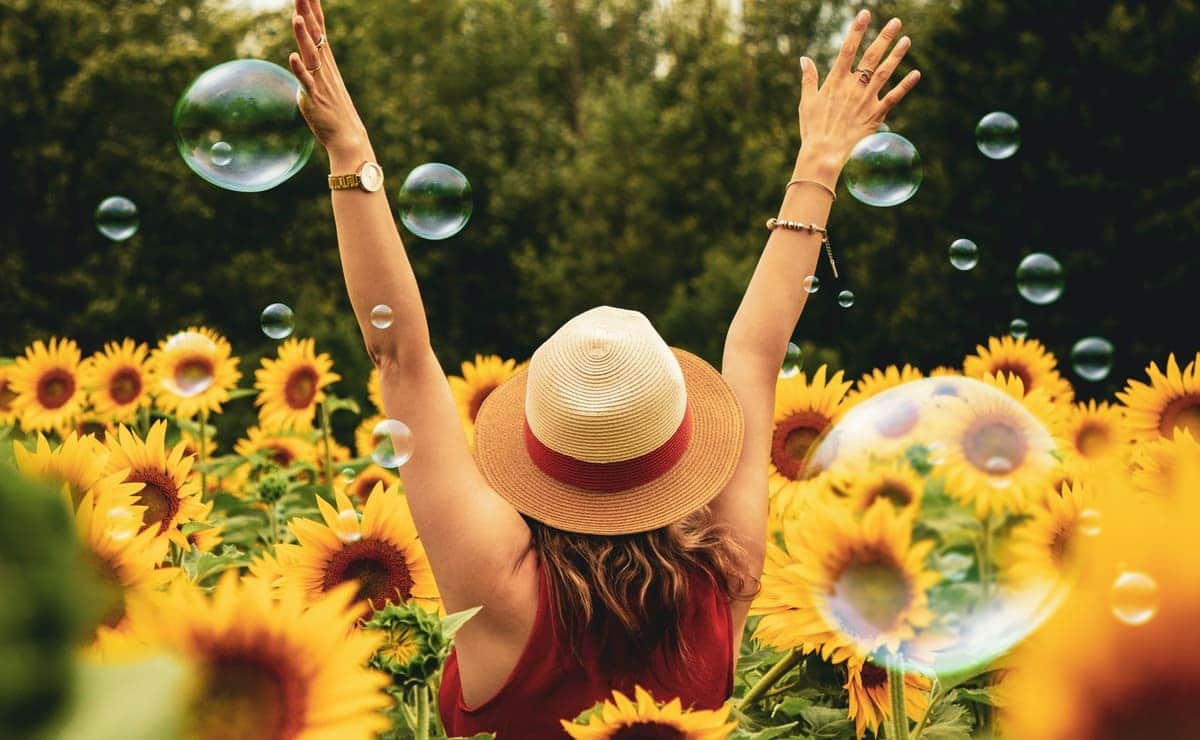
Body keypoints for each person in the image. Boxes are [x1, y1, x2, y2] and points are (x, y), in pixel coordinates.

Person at [287, 1, 919, 736]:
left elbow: (400, 353)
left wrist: (350, 155)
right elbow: (755, 351)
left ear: (537, 444)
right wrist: (819, 160)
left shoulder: (497, 585)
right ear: (678, 443)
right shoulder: (723, 579)